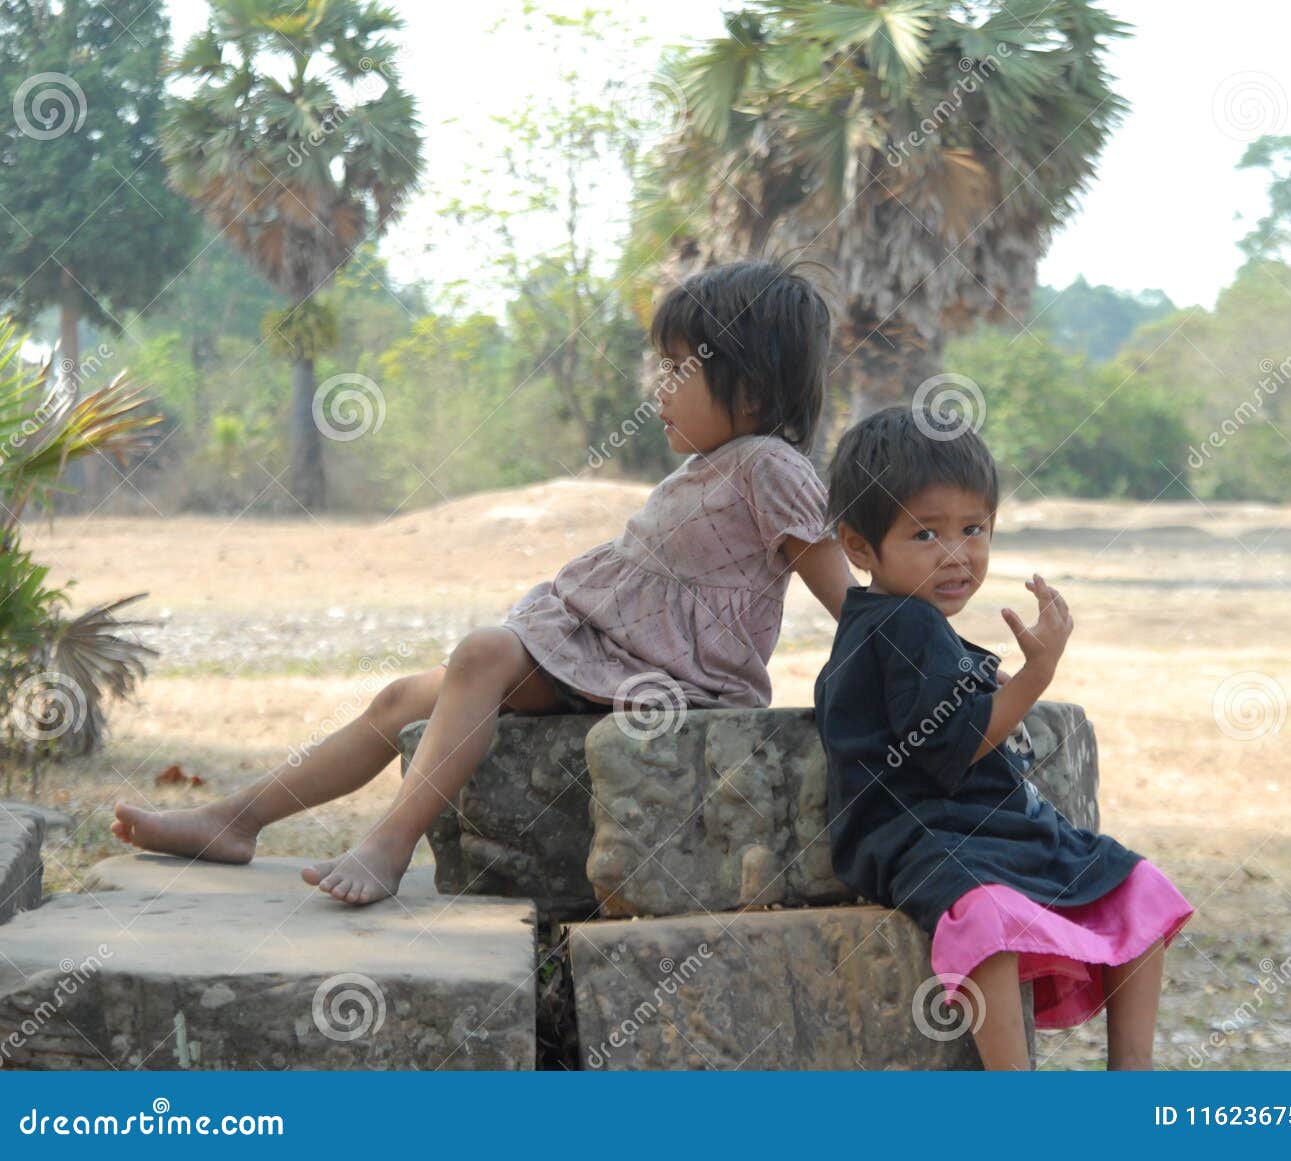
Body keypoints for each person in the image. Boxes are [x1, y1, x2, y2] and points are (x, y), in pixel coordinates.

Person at [113, 258, 857, 905]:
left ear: (752, 393)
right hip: (608, 652)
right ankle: (236, 819)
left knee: (482, 653)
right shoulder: (711, 463)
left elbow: (844, 598)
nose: (657, 389)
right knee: (401, 698)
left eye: (677, 372)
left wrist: (922, 666)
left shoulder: (772, 468)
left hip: (672, 678)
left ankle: (389, 842)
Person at [814, 405, 1194, 1070]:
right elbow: (951, 743)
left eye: (974, 528)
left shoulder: (896, 619)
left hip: (977, 827)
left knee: (1135, 883)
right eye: (927, 534)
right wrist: (1036, 673)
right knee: (995, 917)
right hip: (922, 836)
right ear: (859, 546)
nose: (958, 555)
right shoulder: (905, 625)